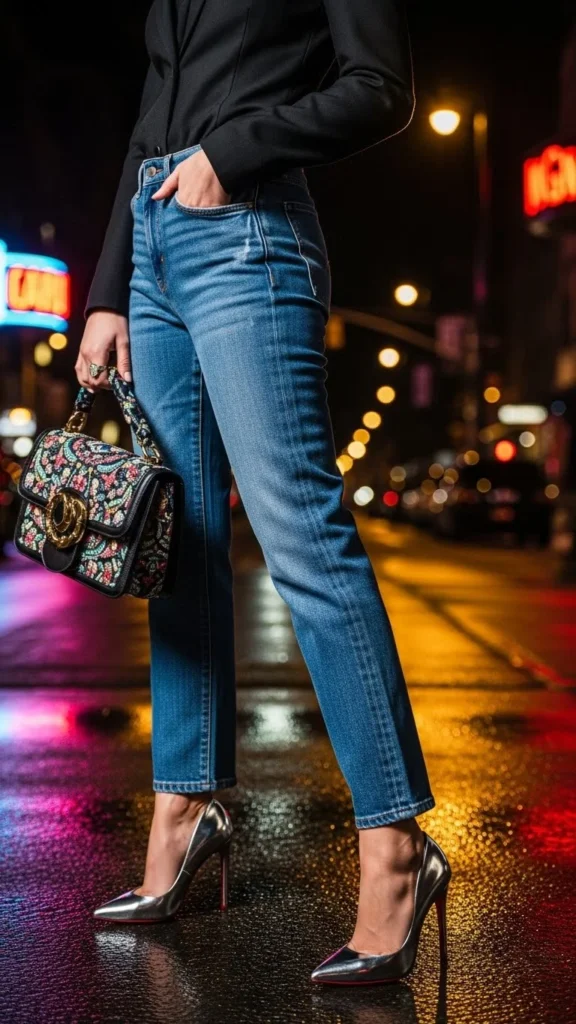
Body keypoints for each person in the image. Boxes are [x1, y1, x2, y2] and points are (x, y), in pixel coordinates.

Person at [77, 0, 451, 984]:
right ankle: (183, 812)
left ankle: (397, 850)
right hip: (154, 249)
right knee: (179, 549)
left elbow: (378, 88)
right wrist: (111, 287)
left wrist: (234, 151)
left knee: (304, 545)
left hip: (248, 236)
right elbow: (151, 111)